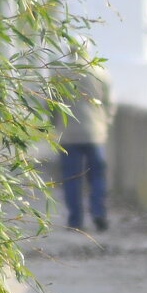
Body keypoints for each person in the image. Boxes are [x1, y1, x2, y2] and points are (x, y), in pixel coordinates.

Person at [52, 40, 115, 232]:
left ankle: (75, 220)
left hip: (68, 134)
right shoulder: (99, 72)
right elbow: (109, 103)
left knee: (72, 177)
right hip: (95, 133)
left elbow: (51, 105)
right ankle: (98, 212)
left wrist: (53, 126)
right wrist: (105, 123)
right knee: (97, 176)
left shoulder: (59, 74)